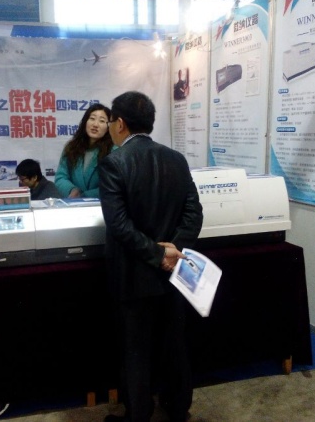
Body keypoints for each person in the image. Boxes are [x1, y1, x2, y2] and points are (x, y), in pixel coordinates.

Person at [98, 91, 203, 422]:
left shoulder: (114, 163)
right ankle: (178, 406)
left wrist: (158, 255)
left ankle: (139, 413)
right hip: (173, 273)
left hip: (133, 274)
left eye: (110, 121)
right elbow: (194, 213)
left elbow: (119, 225)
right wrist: (173, 250)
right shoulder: (176, 159)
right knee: (174, 343)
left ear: (120, 123)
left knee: (135, 350)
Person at [55, 103, 114, 198]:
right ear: (85, 122)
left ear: (108, 127)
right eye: (92, 118)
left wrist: (85, 195)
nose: (95, 124)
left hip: (102, 204)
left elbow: (113, 184)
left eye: (102, 121)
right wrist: (72, 190)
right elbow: (60, 177)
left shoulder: (113, 150)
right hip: (74, 203)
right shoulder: (71, 147)